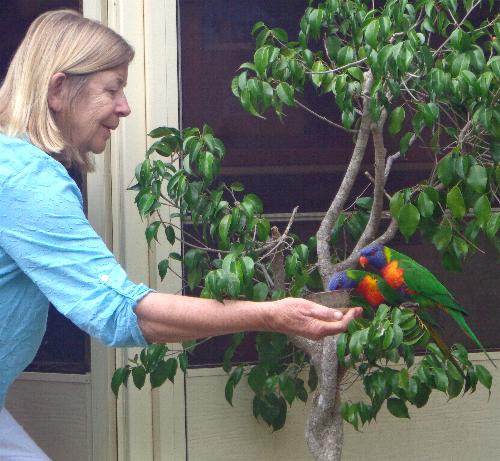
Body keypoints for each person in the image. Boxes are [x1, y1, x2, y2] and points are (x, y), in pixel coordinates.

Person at [0, 9, 362, 460]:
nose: (124, 107)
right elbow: (120, 311)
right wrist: (270, 315)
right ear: (58, 89)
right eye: (111, 89)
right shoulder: (26, 179)